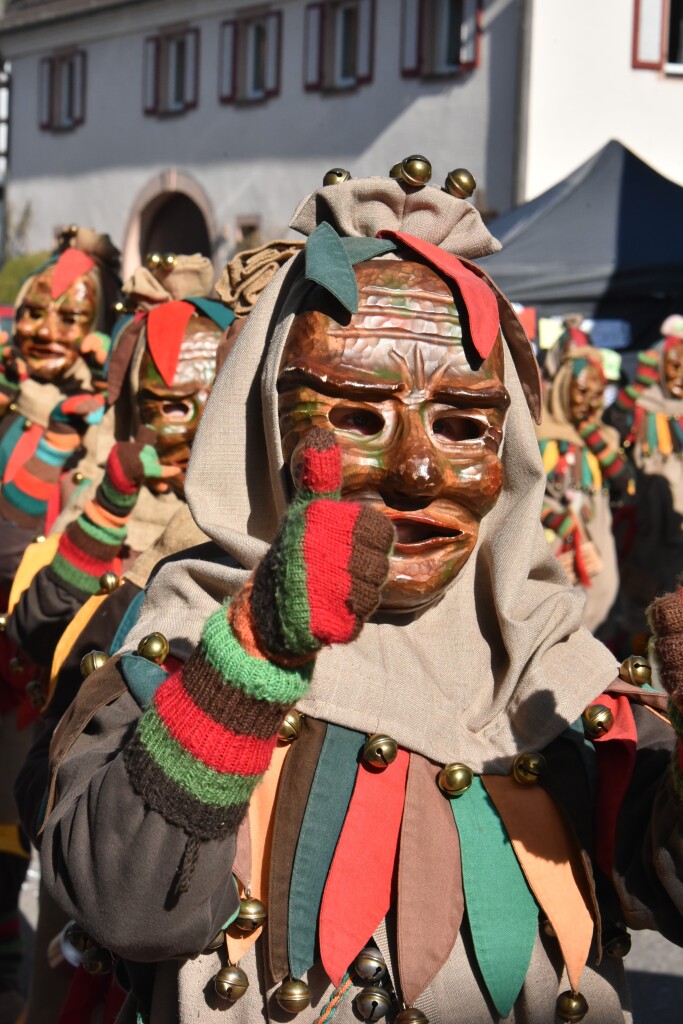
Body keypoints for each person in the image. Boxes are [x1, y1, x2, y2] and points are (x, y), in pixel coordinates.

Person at [38, 167, 682, 1023]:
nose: (417, 471)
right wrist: (249, 662)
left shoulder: (561, 684)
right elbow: (128, 908)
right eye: (354, 414)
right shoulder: (177, 644)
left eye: (460, 425)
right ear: (266, 428)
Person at [8, 253, 230, 1024]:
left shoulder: (248, 533)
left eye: (211, 405)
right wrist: (106, 512)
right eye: (168, 405)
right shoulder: (98, 486)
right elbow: (39, 625)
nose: (191, 428)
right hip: (72, 819)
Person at [0, 226, 120, 1024]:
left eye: (68, 318)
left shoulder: (102, 417)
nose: (47, 330)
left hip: (38, 668)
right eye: (36, 311)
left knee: (19, 831)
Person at [536, 337, 633, 634]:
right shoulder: (539, 436)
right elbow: (522, 494)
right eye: (582, 391)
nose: (591, 400)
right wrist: (558, 522)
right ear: (564, 387)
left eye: (598, 393)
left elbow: (625, 482)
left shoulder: (604, 437)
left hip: (597, 535)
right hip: (554, 539)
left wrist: (589, 431)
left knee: (602, 597)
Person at [611, 316, 683, 647]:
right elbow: (612, 418)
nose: (680, 374)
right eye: (674, 365)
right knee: (642, 602)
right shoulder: (640, 406)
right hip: (645, 525)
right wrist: (640, 380)